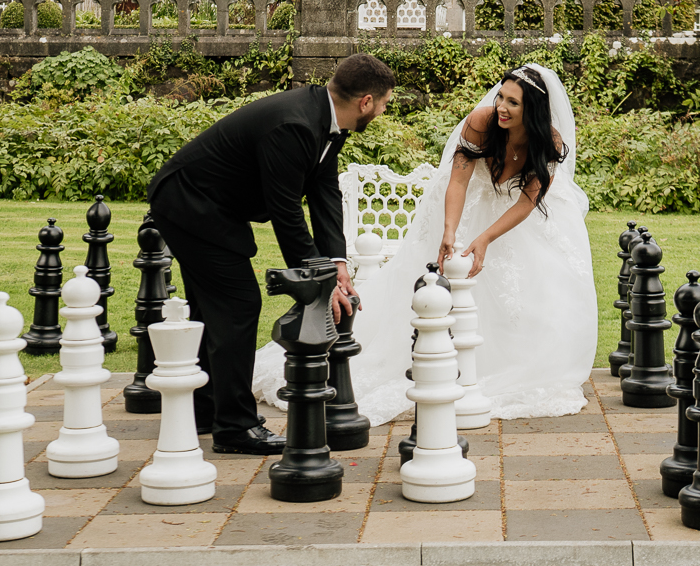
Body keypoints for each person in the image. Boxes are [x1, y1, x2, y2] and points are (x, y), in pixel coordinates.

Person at [254, 63, 595, 424]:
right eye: (501, 97)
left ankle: (511, 362)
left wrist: (486, 238)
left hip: (511, 217)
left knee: (529, 288)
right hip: (465, 205)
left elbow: (527, 202)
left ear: (535, 111)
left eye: (514, 103)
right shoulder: (481, 122)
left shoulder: (550, 142)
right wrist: (451, 231)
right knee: (444, 284)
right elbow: (459, 182)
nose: (502, 108)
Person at [148, 53, 395, 455]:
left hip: (206, 206)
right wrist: (320, 283)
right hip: (191, 204)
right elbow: (285, 213)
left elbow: (324, 191)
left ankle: (205, 411)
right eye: (384, 102)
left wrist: (336, 262)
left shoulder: (327, 120)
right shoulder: (295, 124)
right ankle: (234, 427)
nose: (384, 110)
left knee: (217, 310)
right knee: (238, 304)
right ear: (366, 101)